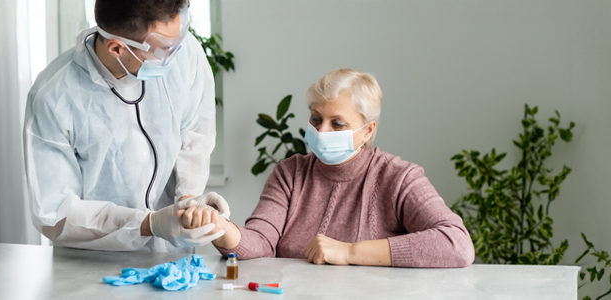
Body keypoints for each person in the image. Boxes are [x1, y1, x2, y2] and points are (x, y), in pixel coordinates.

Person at [181, 69, 474, 267]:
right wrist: (220, 227)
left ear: (368, 130)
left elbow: (457, 243)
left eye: (338, 123)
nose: (322, 131)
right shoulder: (289, 173)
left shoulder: (398, 177)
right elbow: (260, 242)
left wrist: (350, 252)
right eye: (315, 118)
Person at [23, 0, 228, 253]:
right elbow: (56, 213)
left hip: (173, 261)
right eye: (163, 50)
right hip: (93, 270)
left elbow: (196, 132)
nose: (175, 55)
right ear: (117, 48)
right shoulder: (54, 97)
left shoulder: (186, 53)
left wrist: (188, 200)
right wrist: (149, 224)